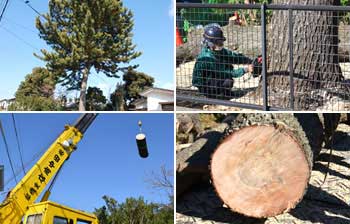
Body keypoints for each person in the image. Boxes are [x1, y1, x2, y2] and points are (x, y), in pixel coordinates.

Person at [192, 24, 254, 99]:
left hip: (215, 77)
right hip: (205, 85)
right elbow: (229, 72)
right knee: (228, 81)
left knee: (227, 73)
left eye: (221, 41)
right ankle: (214, 96)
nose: (221, 44)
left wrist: (250, 61)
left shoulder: (219, 51)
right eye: (218, 42)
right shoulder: (207, 58)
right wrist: (246, 69)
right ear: (210, 44)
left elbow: (234, 56)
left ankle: (224, 93)